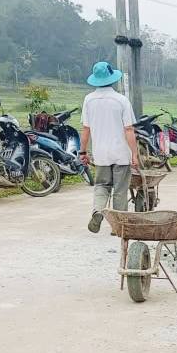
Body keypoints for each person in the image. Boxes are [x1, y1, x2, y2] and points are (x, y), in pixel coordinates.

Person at [79, 61, 138, 233]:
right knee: (120, 190)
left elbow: (86, 129)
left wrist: (83, 151)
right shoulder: (121, 100)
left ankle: (98, 211)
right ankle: (118, 226)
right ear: (112, 79)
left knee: (102, 186)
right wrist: (134, 154)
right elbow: (128, 129)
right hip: (121, 153)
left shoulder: (89, 100)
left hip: (101, 154)